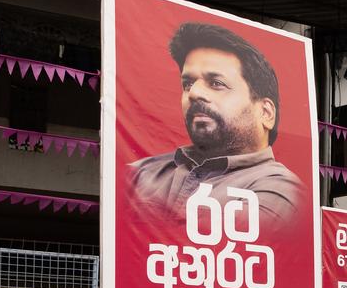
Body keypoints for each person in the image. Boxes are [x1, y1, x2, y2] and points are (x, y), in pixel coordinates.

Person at [129, 22, 302, 223]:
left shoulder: (282, 192)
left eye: (216, 84)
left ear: (265, 113)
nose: (193, 93)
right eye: (188, 84)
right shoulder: (140, 173)